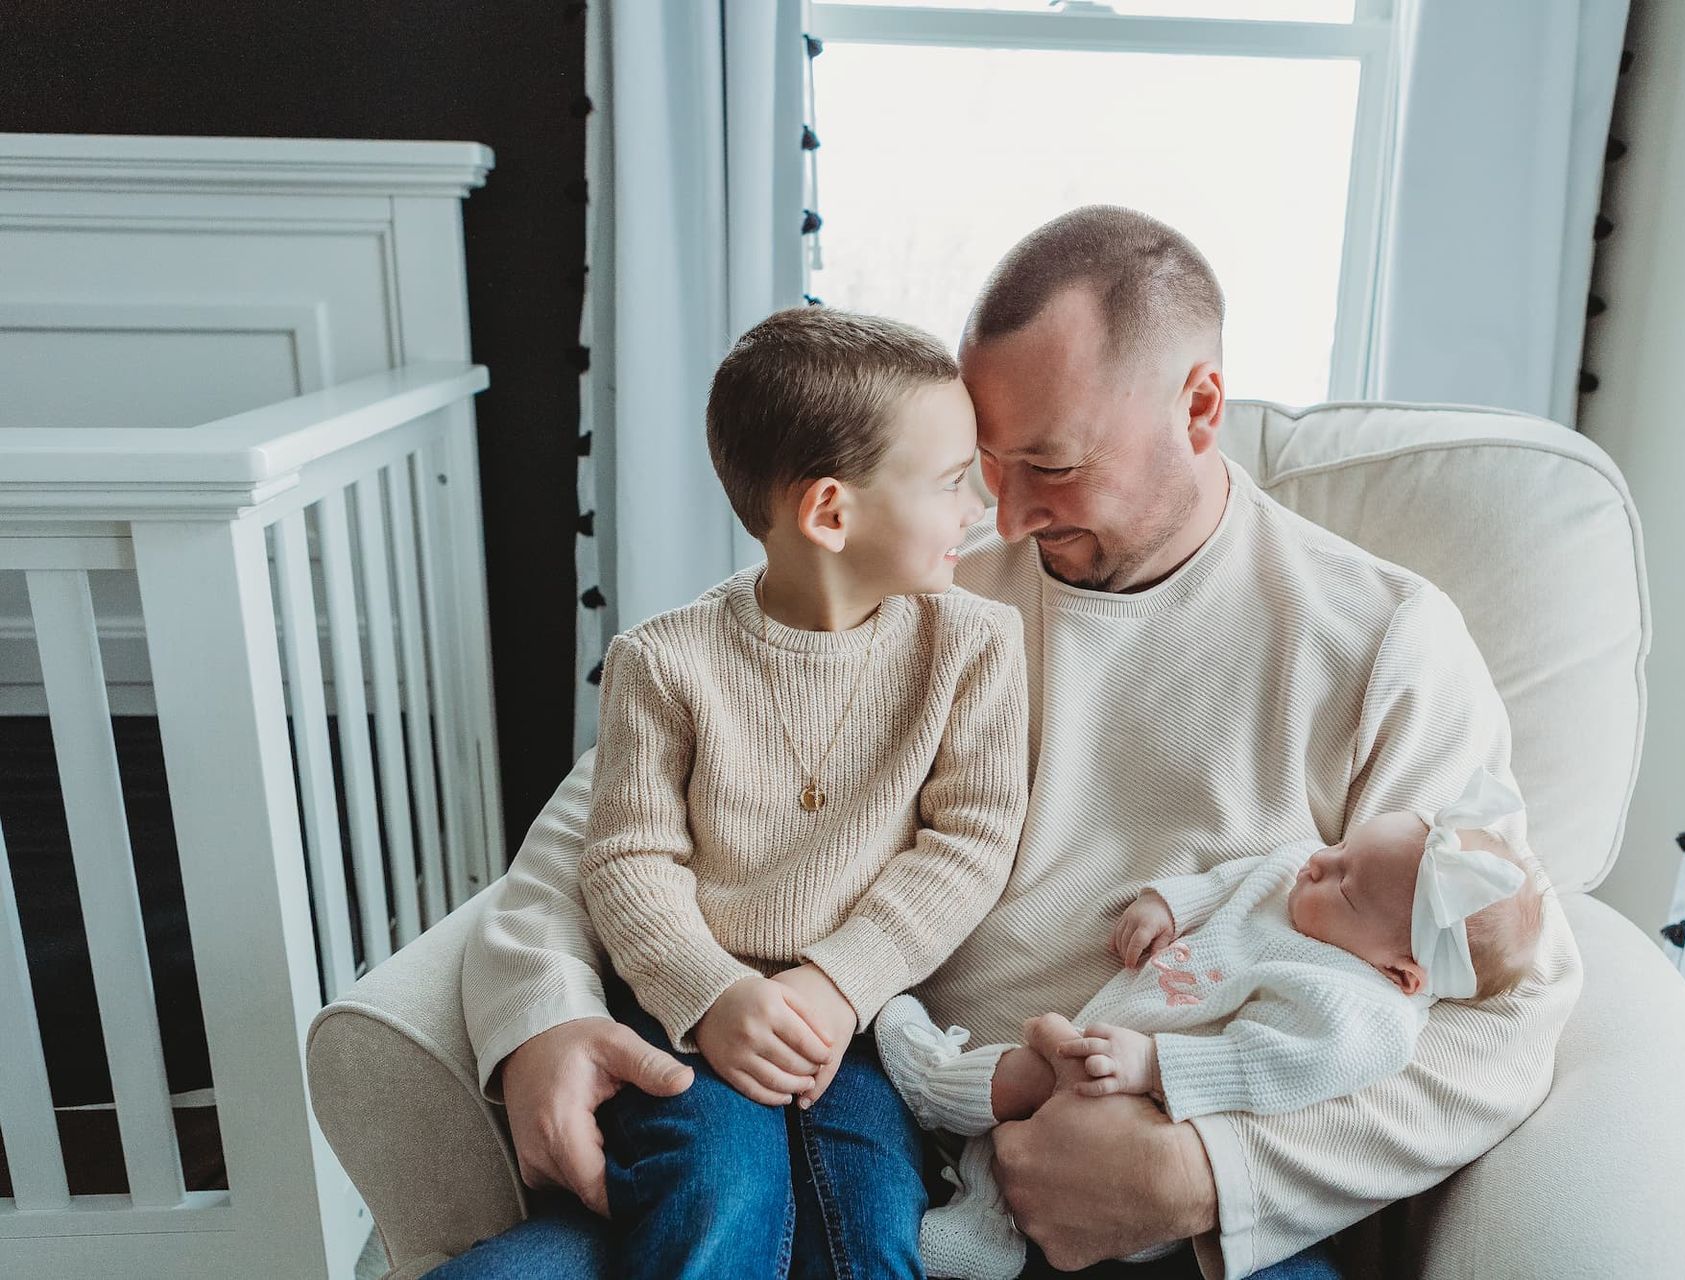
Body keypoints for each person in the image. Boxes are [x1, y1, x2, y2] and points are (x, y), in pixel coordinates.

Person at [447, 205, 1581, 1280]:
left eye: (1051, 463)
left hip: (1159, 1178)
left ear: (1199, 409)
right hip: (884, 1119)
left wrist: (1206, 1175)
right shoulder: (921, 575)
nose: (1009, 511)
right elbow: (615, 806)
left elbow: (1510, 1010)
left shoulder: (1380, 639)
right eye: (981, 465)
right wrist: (540, 1015)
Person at [581, 307, 1030, 1278]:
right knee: (715, 1195)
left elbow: (970, 842)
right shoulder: (662, 663)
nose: (978, 508)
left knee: (875, 1218)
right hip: (695, 1012)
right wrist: (712, 994)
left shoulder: (974, 647)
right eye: (953, 482)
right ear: (830, 511)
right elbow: (626, 859)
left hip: (865, 1017)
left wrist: (837, 982)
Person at [874, 770, 1544, 1279]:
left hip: (1158, 1103)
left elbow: (1265, 1063)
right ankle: (965, 1158)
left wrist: (1157, 1067)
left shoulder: (1360, 1012)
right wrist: (1169, 905)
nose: (1319, 861)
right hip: (1128, 1017)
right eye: (1341, 847)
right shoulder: (1304, 881)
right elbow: (1238, 880)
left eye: (1344, 883)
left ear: (1401, 972)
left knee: (1041, 1082)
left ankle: (962, 1152)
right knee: (1048, 1064)